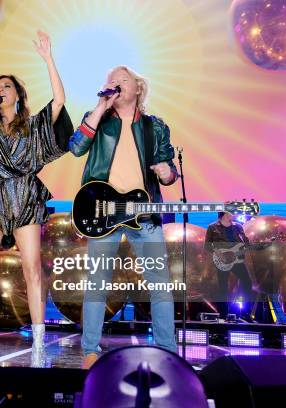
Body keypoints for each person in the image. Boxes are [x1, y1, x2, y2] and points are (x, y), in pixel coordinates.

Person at [0, 31, 73, 367]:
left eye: (7, 87)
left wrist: (48, 58)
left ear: (18, 94)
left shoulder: (33, 126)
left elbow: (59, 102)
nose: (1, 91)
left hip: (24, 197)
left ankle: (37, 343)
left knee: (33, 269)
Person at [69, 66, 178, 369]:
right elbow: (76, 147)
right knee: (97, 282)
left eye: (123, 79)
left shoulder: (155, 127)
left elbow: (168, 170)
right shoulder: (98, 120)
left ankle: (167, 352)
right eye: (111, 81)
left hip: (143, 213)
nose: (115, 83)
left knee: (160, 283)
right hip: (103, 212)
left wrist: (167, 173)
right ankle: (90, 350)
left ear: (138, 88)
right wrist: (100, 106)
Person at [204, 212, 256, 322]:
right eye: (230, 212)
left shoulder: (238, 226)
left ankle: (245, 313)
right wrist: (219, 253)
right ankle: (223, 315)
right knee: (223, 287)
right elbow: (207, 246)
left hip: (237, 260)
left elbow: (245, 243)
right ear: (224, 214)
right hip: (222, 261)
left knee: (247, 282)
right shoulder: (212, 227)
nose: (233, 214)